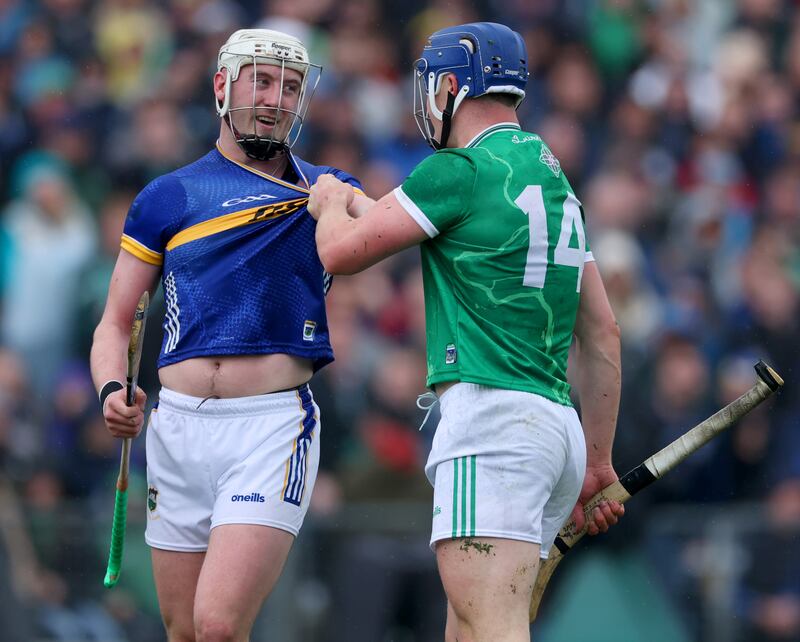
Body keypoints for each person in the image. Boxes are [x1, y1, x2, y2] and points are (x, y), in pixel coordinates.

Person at [308, 22, 625, 642]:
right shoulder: (555, 181)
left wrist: (327, 203)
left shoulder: (456, 168)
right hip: (554, 430)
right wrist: (598, 460)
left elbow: (341, 254)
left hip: (492, 421)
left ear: (451, 86)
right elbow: (605, 333)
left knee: (494, 626)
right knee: (467, 630)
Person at [90, 28, 364, 642]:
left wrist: (341, 207)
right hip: (177, 428)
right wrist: (112, 390)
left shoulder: (324, 188)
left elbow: (389, 230)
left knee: (217, 627)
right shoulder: (168, 196)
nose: (276, 99)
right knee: (184, 632)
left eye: (291, 87)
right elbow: (114, 323)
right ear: (223, 86)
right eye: (262, 82)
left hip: (269, 429)